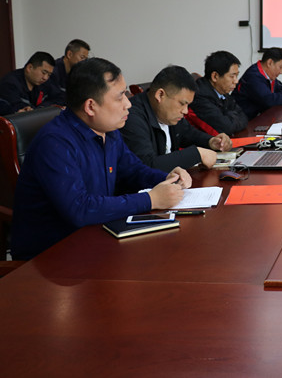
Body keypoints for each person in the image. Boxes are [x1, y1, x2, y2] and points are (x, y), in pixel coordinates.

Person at [10, 58, 189, 260]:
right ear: (90, 106)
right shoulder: (55, 143)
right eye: (120, 97)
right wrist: (151, 199)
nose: (128, 104)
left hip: (97, 236)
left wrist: (167, 178)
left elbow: (133, 170)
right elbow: (79, 209)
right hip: (50, 257)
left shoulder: (108, 131)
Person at [121, 65, 232, 173]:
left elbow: (188, 133)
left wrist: (211, 141)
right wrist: (197, 154)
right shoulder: (131, 117)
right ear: (160, 95)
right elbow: (147, 166)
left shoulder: (168, 114)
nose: (186, 111)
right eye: (182, 104)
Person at [234, 47, 282, 120]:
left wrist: (275, 98)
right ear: (270, 63)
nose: (281, 72)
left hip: (260, 117)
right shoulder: (253, 76)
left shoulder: (267, 76)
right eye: (280, 67)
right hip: (245, 121)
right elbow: (269, 100)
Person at [187, 51, 248, 136]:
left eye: (236, 76)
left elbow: (243, 117)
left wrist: (227, 116)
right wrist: (230, 115)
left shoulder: (222, 91)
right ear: (215, 76)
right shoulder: (199, 97)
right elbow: (226, 128)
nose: (236, 81)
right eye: (232, 76)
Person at [48, 38, 91, 104]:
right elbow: (55, 98)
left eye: (86, 59)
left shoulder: (76, 72)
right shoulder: (52, 71)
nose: (84, 62)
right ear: (69, 54)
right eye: (82, 57)